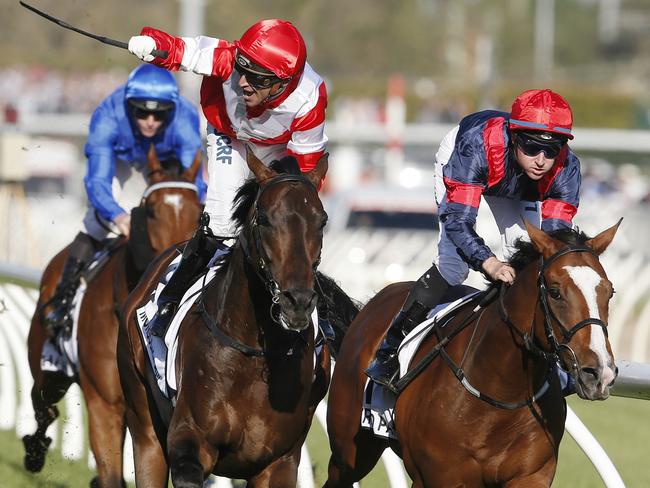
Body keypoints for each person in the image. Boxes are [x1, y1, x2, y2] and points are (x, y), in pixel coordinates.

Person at [365, 88, 581, 391]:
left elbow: (555, 244)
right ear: (515, 136)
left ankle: (548, 358)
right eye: (532, 148)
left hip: (513, 183)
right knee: (454, 266)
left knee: (532, 259)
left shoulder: (566, 167)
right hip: (472, 163)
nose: (542, 160)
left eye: (552, 149)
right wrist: (488, 262)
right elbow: (458, 221)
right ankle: (389, 347)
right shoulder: (476, 147)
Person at [127, 19, 329, 336]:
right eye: (243, 70)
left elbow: (308, 167)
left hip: (275, 148)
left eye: (258, 79)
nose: (244, 82)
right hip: (228, 137)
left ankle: (313, 315)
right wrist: (152, 45)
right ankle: (167, 302)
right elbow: (185, 50)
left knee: (291, 223)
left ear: (282, 82)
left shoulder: (310, 97)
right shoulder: (230, 57)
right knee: (221, 225)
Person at [45, 64, 206, 336]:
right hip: (120, 157)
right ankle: (64, 297)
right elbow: (97, 182)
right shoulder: (107, 117)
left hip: (163, 162)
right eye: (142, 111)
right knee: (98, 223)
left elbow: (196, 182)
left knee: (184, 218)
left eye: (160, 113)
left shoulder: (184, 117)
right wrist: (118, 216)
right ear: (129, 105)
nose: (151, 121)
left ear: (172, 109)